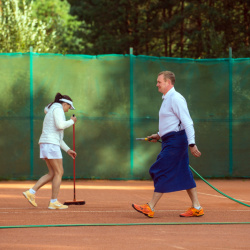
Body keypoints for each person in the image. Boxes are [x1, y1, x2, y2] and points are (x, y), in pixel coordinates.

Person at [132, 71, 204, 217]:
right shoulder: (166, 99)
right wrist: (158, 134)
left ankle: (150, 206)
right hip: (170, 140)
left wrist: (192, 144)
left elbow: (187, 122)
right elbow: (171, 123)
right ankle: (197, 207)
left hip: (176, 142)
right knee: (184, 173)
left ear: (168, 83)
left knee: (160, 169)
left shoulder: (176, 98)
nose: (157, 84)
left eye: (159, 82)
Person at [23, 93, 77, 210]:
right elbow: (60, 125)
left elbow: (58, 137)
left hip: (47, 143)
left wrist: (67, 150)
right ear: (64, 104)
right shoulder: (58, 109)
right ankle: (53, 202)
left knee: (52, 173)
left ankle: (31, 192)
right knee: (59, 172)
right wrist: (72, 121)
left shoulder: (53, 110)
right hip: (51, 144)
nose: (68, 110)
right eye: (68, 107)